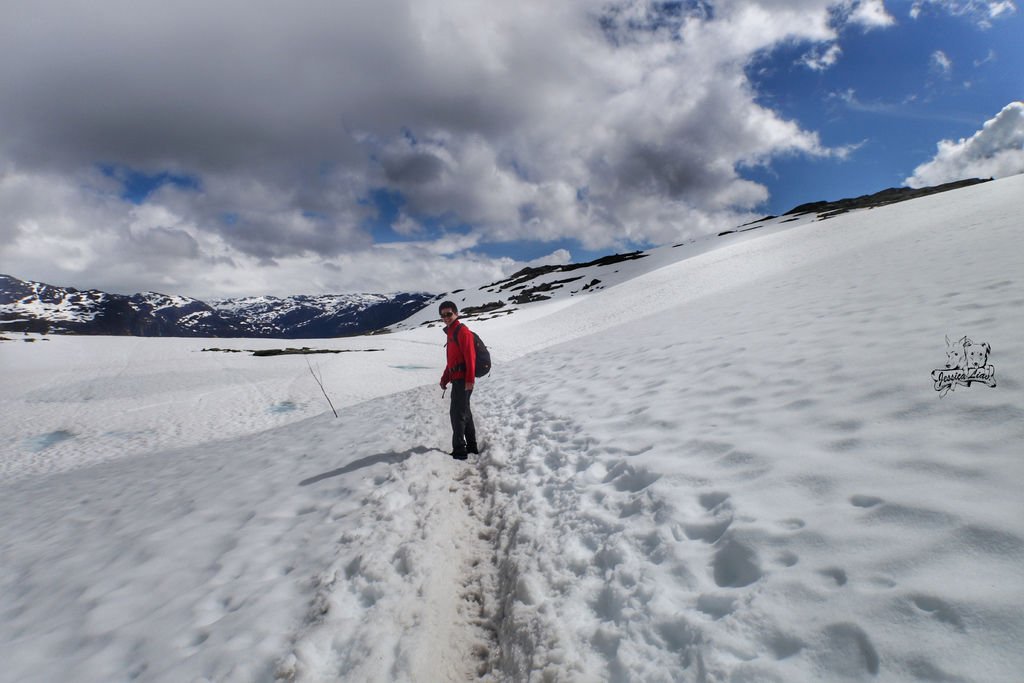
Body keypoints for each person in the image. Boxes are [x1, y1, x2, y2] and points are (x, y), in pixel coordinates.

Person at [438, 301, 478, 460]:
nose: (446, 317)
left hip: (463, 380)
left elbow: (471, 358)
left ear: (456, 314)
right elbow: (452, 361)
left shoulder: (462, 332)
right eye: (443, 315)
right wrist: (445, 378)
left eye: (449, 314)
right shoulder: (451, 333)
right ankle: (472, 447)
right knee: (464, 413)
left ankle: (460, 451)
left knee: (457, 414)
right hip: (457, 379)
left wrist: (470, 380)